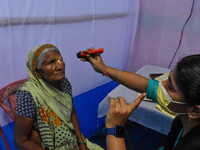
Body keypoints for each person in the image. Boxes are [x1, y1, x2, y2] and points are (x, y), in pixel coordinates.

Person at [81, 51, 200, 150]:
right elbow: (147, 85)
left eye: (170, 86)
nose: (160, 84)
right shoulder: (183, 120)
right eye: (167, 78)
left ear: (195, 110)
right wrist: (103, 68)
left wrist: (114, 128)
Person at [14, 44, 103, 150]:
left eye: (60, 60)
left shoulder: (64, 83)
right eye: (51, 63)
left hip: (73, 141)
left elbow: (72, 112)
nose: (60, 66)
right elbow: (21, 141)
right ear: (37, 71)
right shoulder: (28, 95)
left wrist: (81, 142)